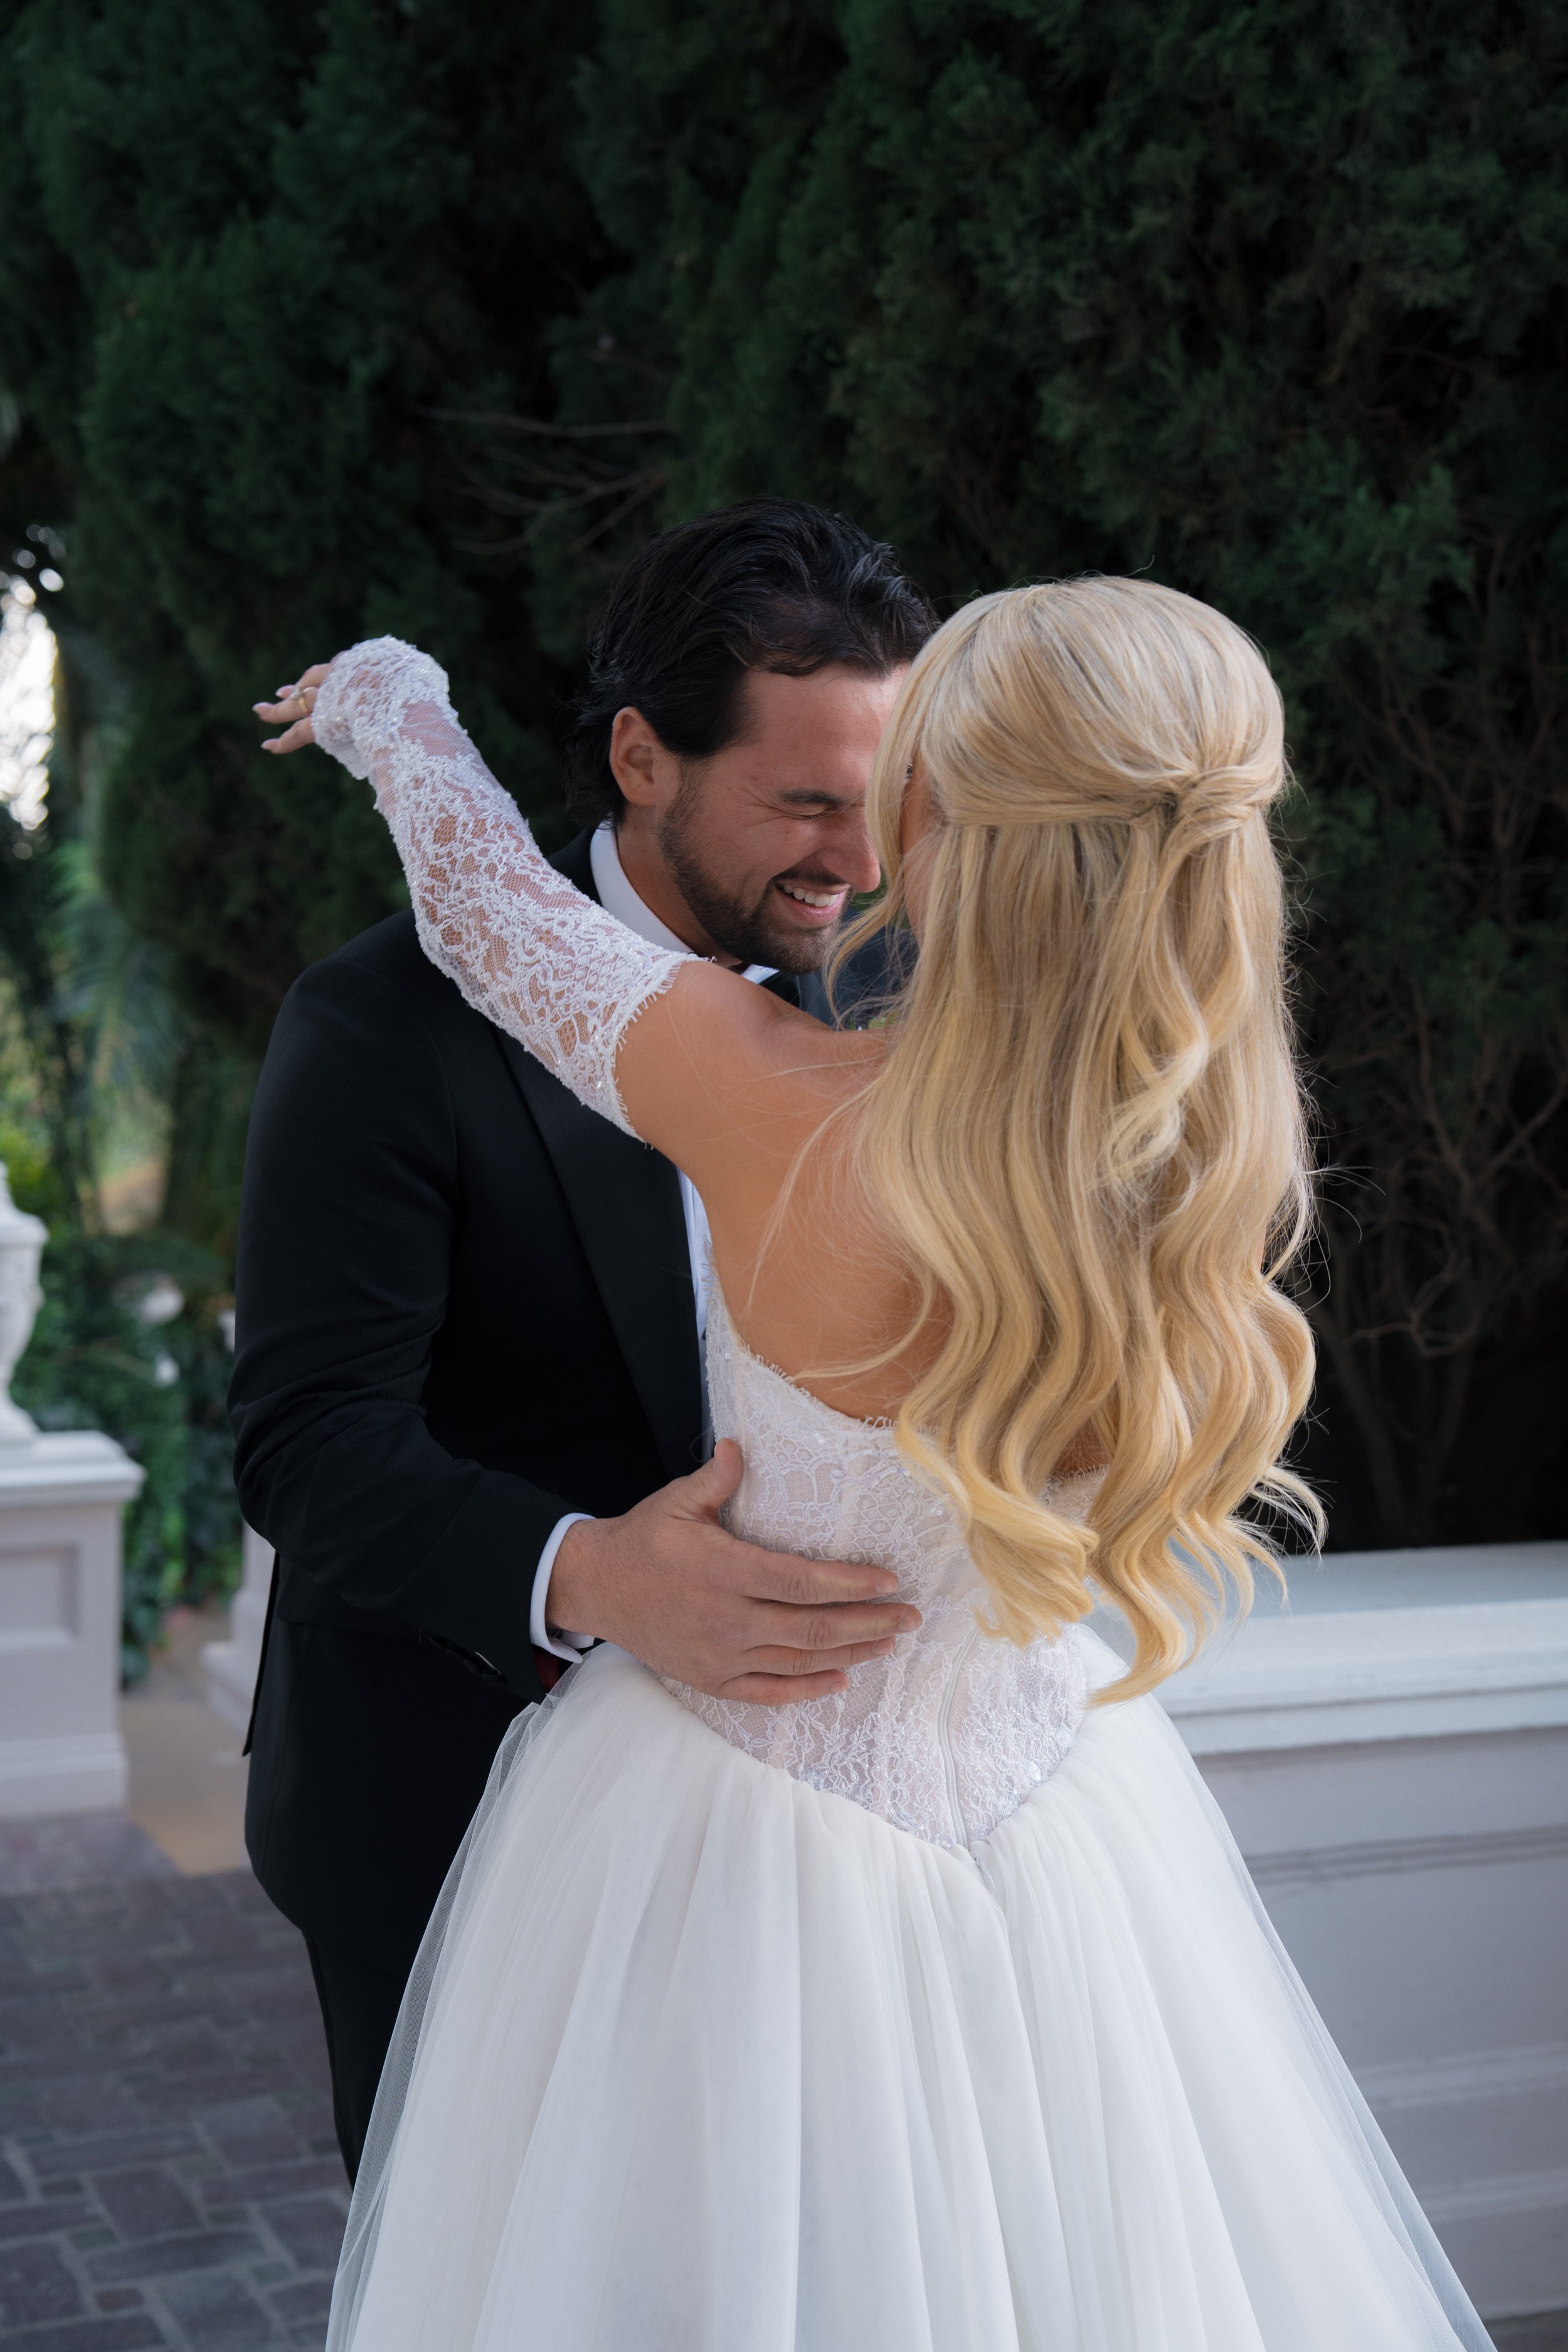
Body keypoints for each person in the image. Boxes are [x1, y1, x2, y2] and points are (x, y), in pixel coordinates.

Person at [257, 580, 1493, 2351]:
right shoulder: (1185, 1164)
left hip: (729, 1852)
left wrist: (391, 702)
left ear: (933, 816)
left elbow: (482, 905)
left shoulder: (774, 1096)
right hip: (1061, 1836)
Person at [228, 500, 933, 2178]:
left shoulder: (907, 1008)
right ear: (639, 756)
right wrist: (594, 1574)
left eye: (885, 804)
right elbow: (309, 1442)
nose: (855, 864)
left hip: (817, 1839)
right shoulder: (380, 1024)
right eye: (804, 804)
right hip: (451, 1804)